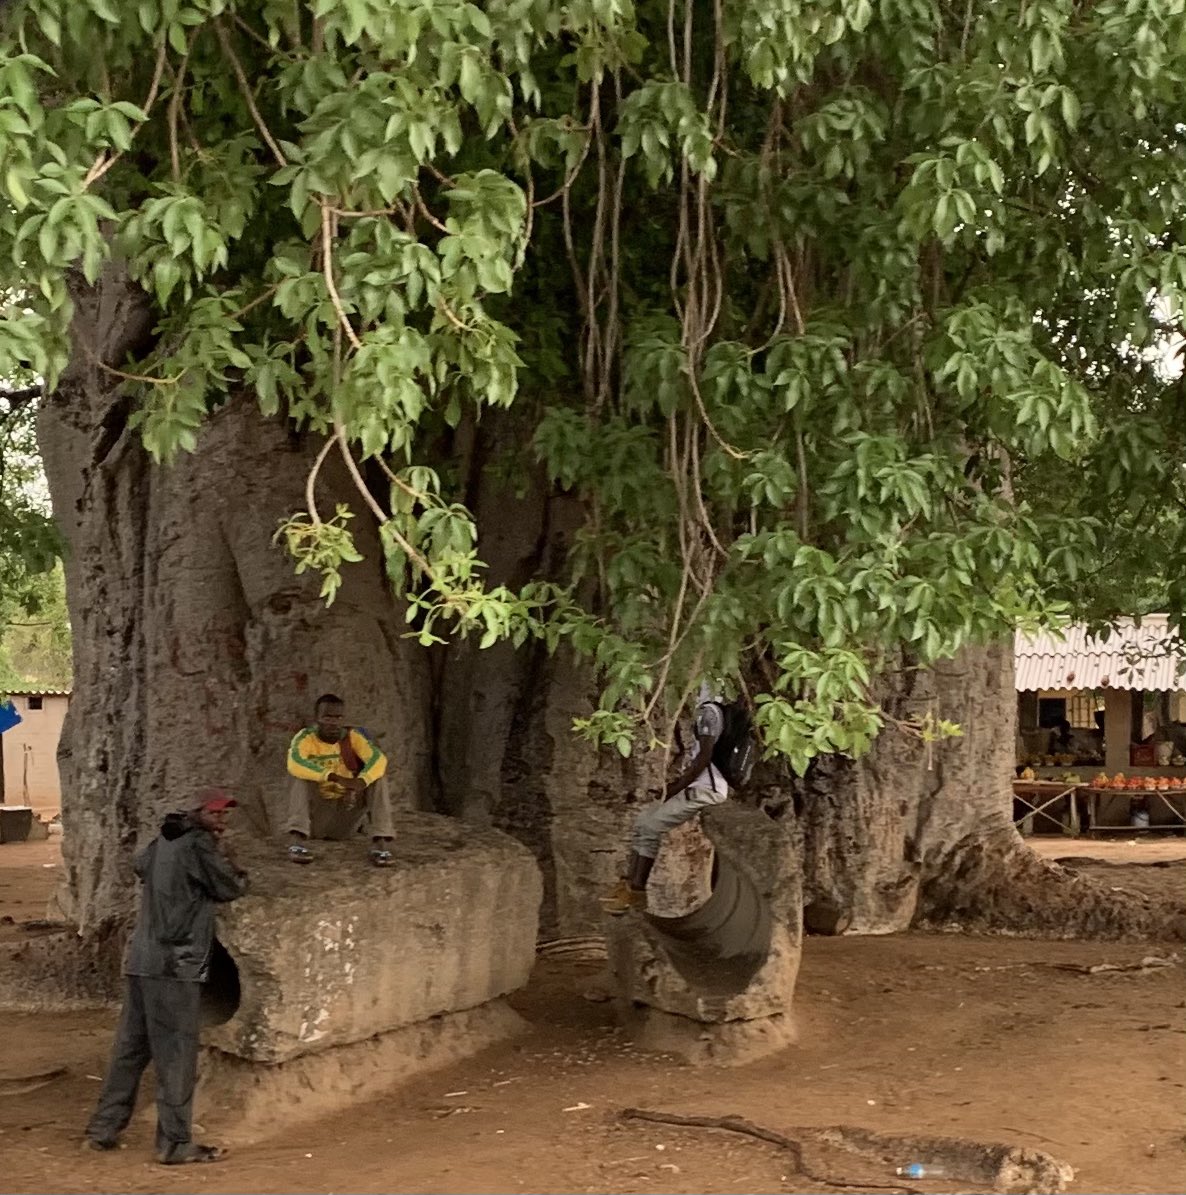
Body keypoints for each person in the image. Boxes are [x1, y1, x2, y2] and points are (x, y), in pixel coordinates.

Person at [85, 790, 248, 1164]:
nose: (221, 820)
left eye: (224, 815)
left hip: (142, 959)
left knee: (130, 1049)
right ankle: (174, 1144)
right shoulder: (199, 845)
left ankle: (102, 1130)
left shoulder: (164, 840)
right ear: (197, 814)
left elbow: (141, 866)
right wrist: (233, 861)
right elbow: (230, 887)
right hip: (176, 965)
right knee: (177, 1055)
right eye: (215, 813)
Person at [603, 685, 728, 915]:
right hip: (700, 787)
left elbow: (703, 758)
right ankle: (630, 884)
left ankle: (637, 891)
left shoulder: (708, 713)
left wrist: (677, 788)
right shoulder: (710, 710)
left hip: (707, 790)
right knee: (643, 820)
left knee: (650, 826)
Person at [285, 693, 395, 867]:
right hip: (316, 817)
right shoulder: (306, 738)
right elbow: (295, 762)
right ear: (317, 719)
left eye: (338, 718)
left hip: (345, 813)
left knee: (377, 777)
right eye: (327, 718)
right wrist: (334, 777)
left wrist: (361, 781)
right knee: (300, 777)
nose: (333, 723)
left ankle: (380, 844)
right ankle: (297, 843)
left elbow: (378, 759)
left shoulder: (352, 738)